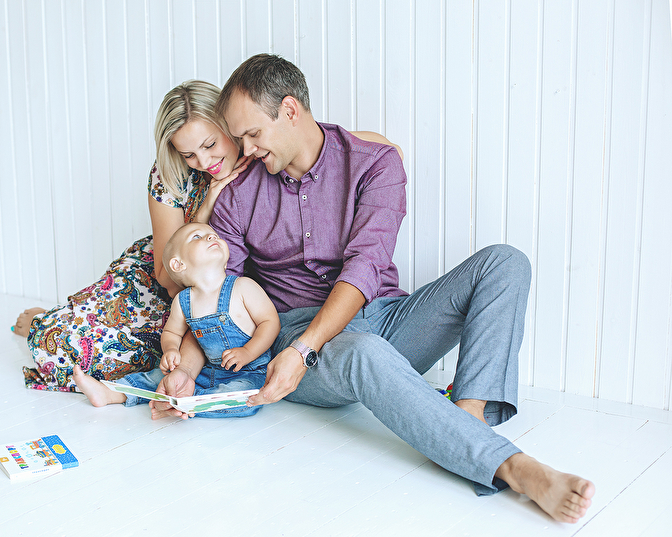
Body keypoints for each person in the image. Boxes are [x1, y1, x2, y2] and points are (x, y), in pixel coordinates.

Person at [161, 53, 592, 523]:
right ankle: (515, 468)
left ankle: (466, 421)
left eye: (252, 134)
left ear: (290, 110)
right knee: (363, 351)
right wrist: (187, 371)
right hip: (296, 342)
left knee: (505, 262)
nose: (243, 149)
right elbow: (212, 297)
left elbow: (365, 267)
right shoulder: (238, 193)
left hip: (385, 318)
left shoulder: (374, 163)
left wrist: (306, 347)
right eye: (238, 137)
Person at [11, 78, 400, 394]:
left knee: (154, 357)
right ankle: (48, 321)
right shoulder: (171, 177)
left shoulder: (265, 151)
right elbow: (168, 278)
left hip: (220, 297)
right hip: (166, 284)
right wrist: (208, 204)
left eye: (211, 144)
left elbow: (359, 148)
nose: (204, 162)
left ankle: (61, 326)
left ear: (231, 127)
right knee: (63, 342)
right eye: (189, 155)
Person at [71, 222, 280, 419]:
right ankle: (111, 392)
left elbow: (270, 322)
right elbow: (172, 333)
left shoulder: (243, 287)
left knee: (244, 398)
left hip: (249, 372)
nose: (211, 236)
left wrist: (248, 352)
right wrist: (171, 349)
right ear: (178, 264)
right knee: (159, 378)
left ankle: (178, 403)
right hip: (207, 370)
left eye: (214, 235)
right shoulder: (184, 301)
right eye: (197, 236)